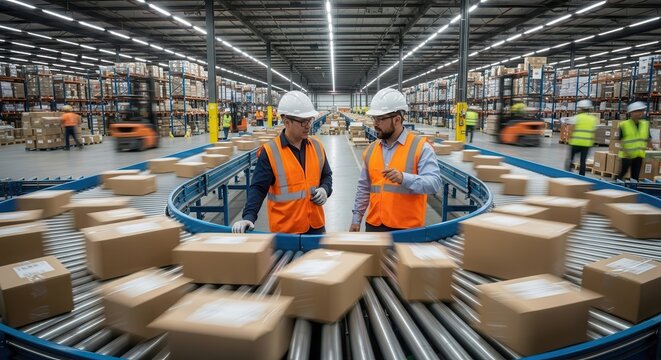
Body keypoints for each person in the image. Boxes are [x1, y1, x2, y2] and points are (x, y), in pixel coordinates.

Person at [232, 91, 332, 234]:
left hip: (316, 227)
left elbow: (327, 176)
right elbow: (258, 188)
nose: (308, 125)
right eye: (303, 121)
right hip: (286, 231)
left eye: (310, 120)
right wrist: (248, 216)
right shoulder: (270, 151)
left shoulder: (317, 146)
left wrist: (325, 189)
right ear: (286, 122)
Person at [350, 88, 443, 232]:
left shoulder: (420, 147)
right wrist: (357, 218)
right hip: (374, 225)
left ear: (397, 120)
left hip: (407, 229)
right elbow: (364, 187)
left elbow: (434, 183)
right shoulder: (371, 149)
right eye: (374, 118)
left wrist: (404, 178)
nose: (375, 123)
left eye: (380, 119)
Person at [617, 101, 653, 180]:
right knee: (622, 174)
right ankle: (615, 188)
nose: (640, 113)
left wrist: (653, 149)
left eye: (641, 111)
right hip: (627, 156)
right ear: (631, 113)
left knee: (635, 176)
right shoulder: (624, 124)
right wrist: (627, 153)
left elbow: (648, 138)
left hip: (639, 155)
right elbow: (621, 140)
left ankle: (633, 190)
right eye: (637, 111)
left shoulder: (645, 124)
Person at [565, 100, 597, 176]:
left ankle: (568, 174)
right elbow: (593, 132)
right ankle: (582, 177)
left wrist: (569, 138)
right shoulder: (593, 119)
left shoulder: (577, 117)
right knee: (583, 162)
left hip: (576, 142)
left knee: (571, 159)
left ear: (581, 109)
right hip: (586, 144)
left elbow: (572, 128)